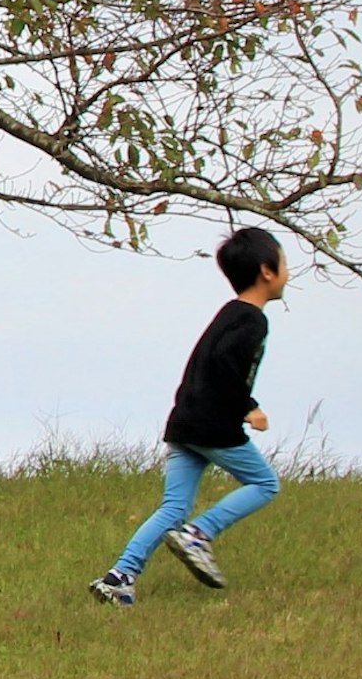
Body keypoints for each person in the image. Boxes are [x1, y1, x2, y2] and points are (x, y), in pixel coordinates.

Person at [89, 225, 290, 607]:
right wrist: (250, 407)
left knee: (174, 507)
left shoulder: (229, 314)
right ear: (267, 271)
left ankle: (119, 577)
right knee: (265, 484)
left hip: (184, 421)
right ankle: (199, 534)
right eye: (284, 264)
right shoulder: (251, 321)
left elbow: (205, 365)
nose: (288, 273)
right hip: (212, 425)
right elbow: (225, 368)